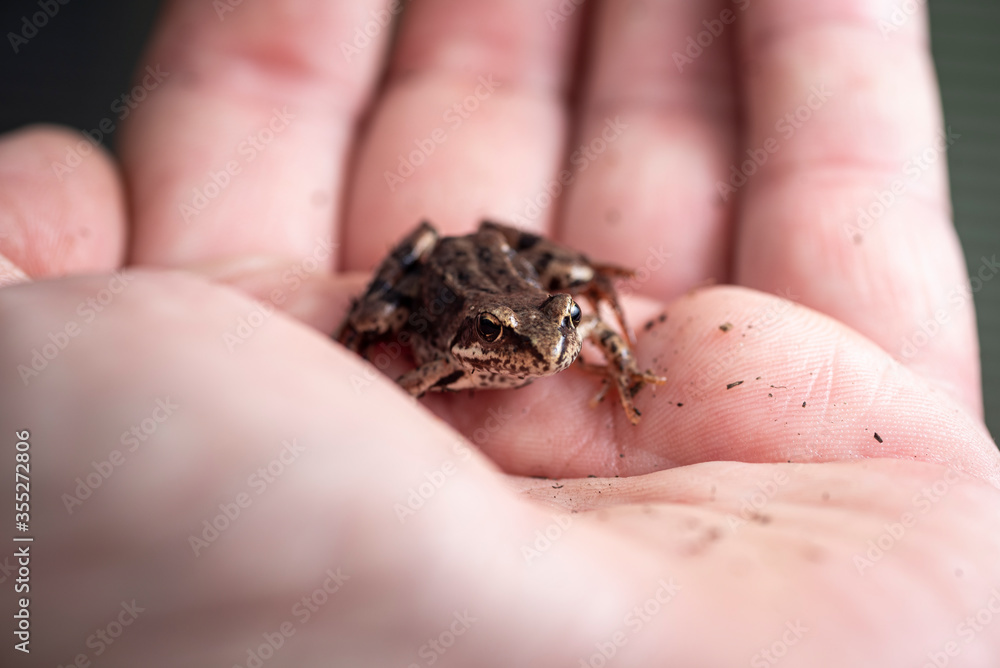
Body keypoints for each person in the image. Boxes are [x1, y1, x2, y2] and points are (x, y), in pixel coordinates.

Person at [2, 1, 998, 665]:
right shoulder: (457, 345)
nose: (554, 353)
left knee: (564, 274)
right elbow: (395, 393)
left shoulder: (560, 329)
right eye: (536, 343)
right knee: (373, 319)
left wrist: (610, 360)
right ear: (486, 346)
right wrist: (363, 389)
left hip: (507, 266)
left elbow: (594, 340)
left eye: (563, 335)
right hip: (447, 280)